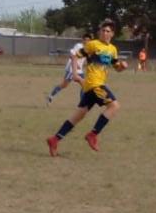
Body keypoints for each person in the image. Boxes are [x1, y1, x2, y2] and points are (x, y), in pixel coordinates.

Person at [46, 20, 126, 156]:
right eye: (102, 30)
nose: (104, 33)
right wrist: (75, 73)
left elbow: (116, 67)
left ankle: (55, 139)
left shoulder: (112, 49)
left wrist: (122, 67)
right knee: (114, 106)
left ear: (112, 34)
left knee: (78, 116)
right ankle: (93, 134)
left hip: (93, 86)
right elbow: (75, 55)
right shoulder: (93, 45)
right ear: (99, 32)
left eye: (108, 31)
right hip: (95, 84)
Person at [47, 32, 92, 105]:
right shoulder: (78, 46)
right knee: (64, 85)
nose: (87, 41)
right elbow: (71, 55)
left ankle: (82, 103)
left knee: (85, 85)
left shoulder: (88, 48)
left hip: (79, 70)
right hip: (72, 69)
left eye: (88, 40)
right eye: (85, 40)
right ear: (82, 40)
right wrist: (76, 64)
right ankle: (51, 96)